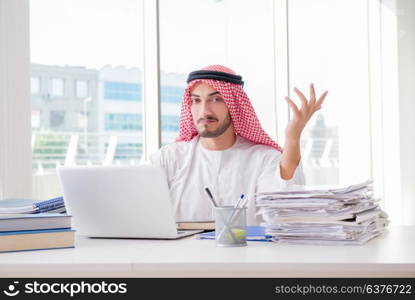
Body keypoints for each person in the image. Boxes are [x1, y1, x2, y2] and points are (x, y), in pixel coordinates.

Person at [149, 65, 328, 225]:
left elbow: (284, 210)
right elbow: (146, 214)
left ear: (234, 104)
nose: (204, 111)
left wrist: (292, 137)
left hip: (248, 260)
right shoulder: (170, 158)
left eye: (216, 99)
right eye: (196, 100)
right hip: (180, 260)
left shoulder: (263, 158)